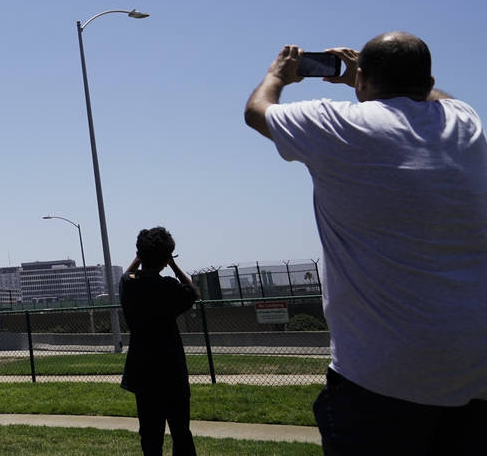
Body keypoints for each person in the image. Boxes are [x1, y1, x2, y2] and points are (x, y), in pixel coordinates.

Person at [244, 33, 487, 454]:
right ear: (428, 78)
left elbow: (257, 111)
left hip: (380, 375)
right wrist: (365, 79)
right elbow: (438, 99)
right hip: (474, 367)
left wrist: (276, 76)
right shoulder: (464, 123)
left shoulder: (338, 124)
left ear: (363, 83)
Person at [119, 227, 199, 456]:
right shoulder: (169, 288)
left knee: (150, 434)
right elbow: (193, 292)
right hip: (171, 368)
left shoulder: (131, 287)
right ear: (166, 259)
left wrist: (139, 257)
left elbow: (125, 278)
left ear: (140, 254)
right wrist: (173, 265)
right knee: (181, 432)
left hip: (143, 370)